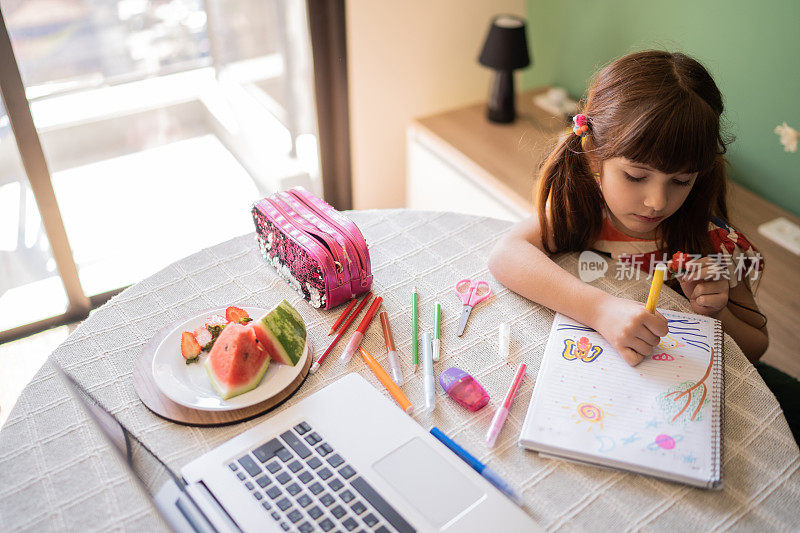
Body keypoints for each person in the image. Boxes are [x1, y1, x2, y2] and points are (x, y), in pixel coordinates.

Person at [488, 50, 769, 366]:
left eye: (680, 181)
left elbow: (757, 348)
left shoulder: (711, 243)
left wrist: (718, 312)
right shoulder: (586, 211)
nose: (657, 203)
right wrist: (599, 310)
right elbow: (507, 254)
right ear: (594, 153)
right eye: (636, 176)